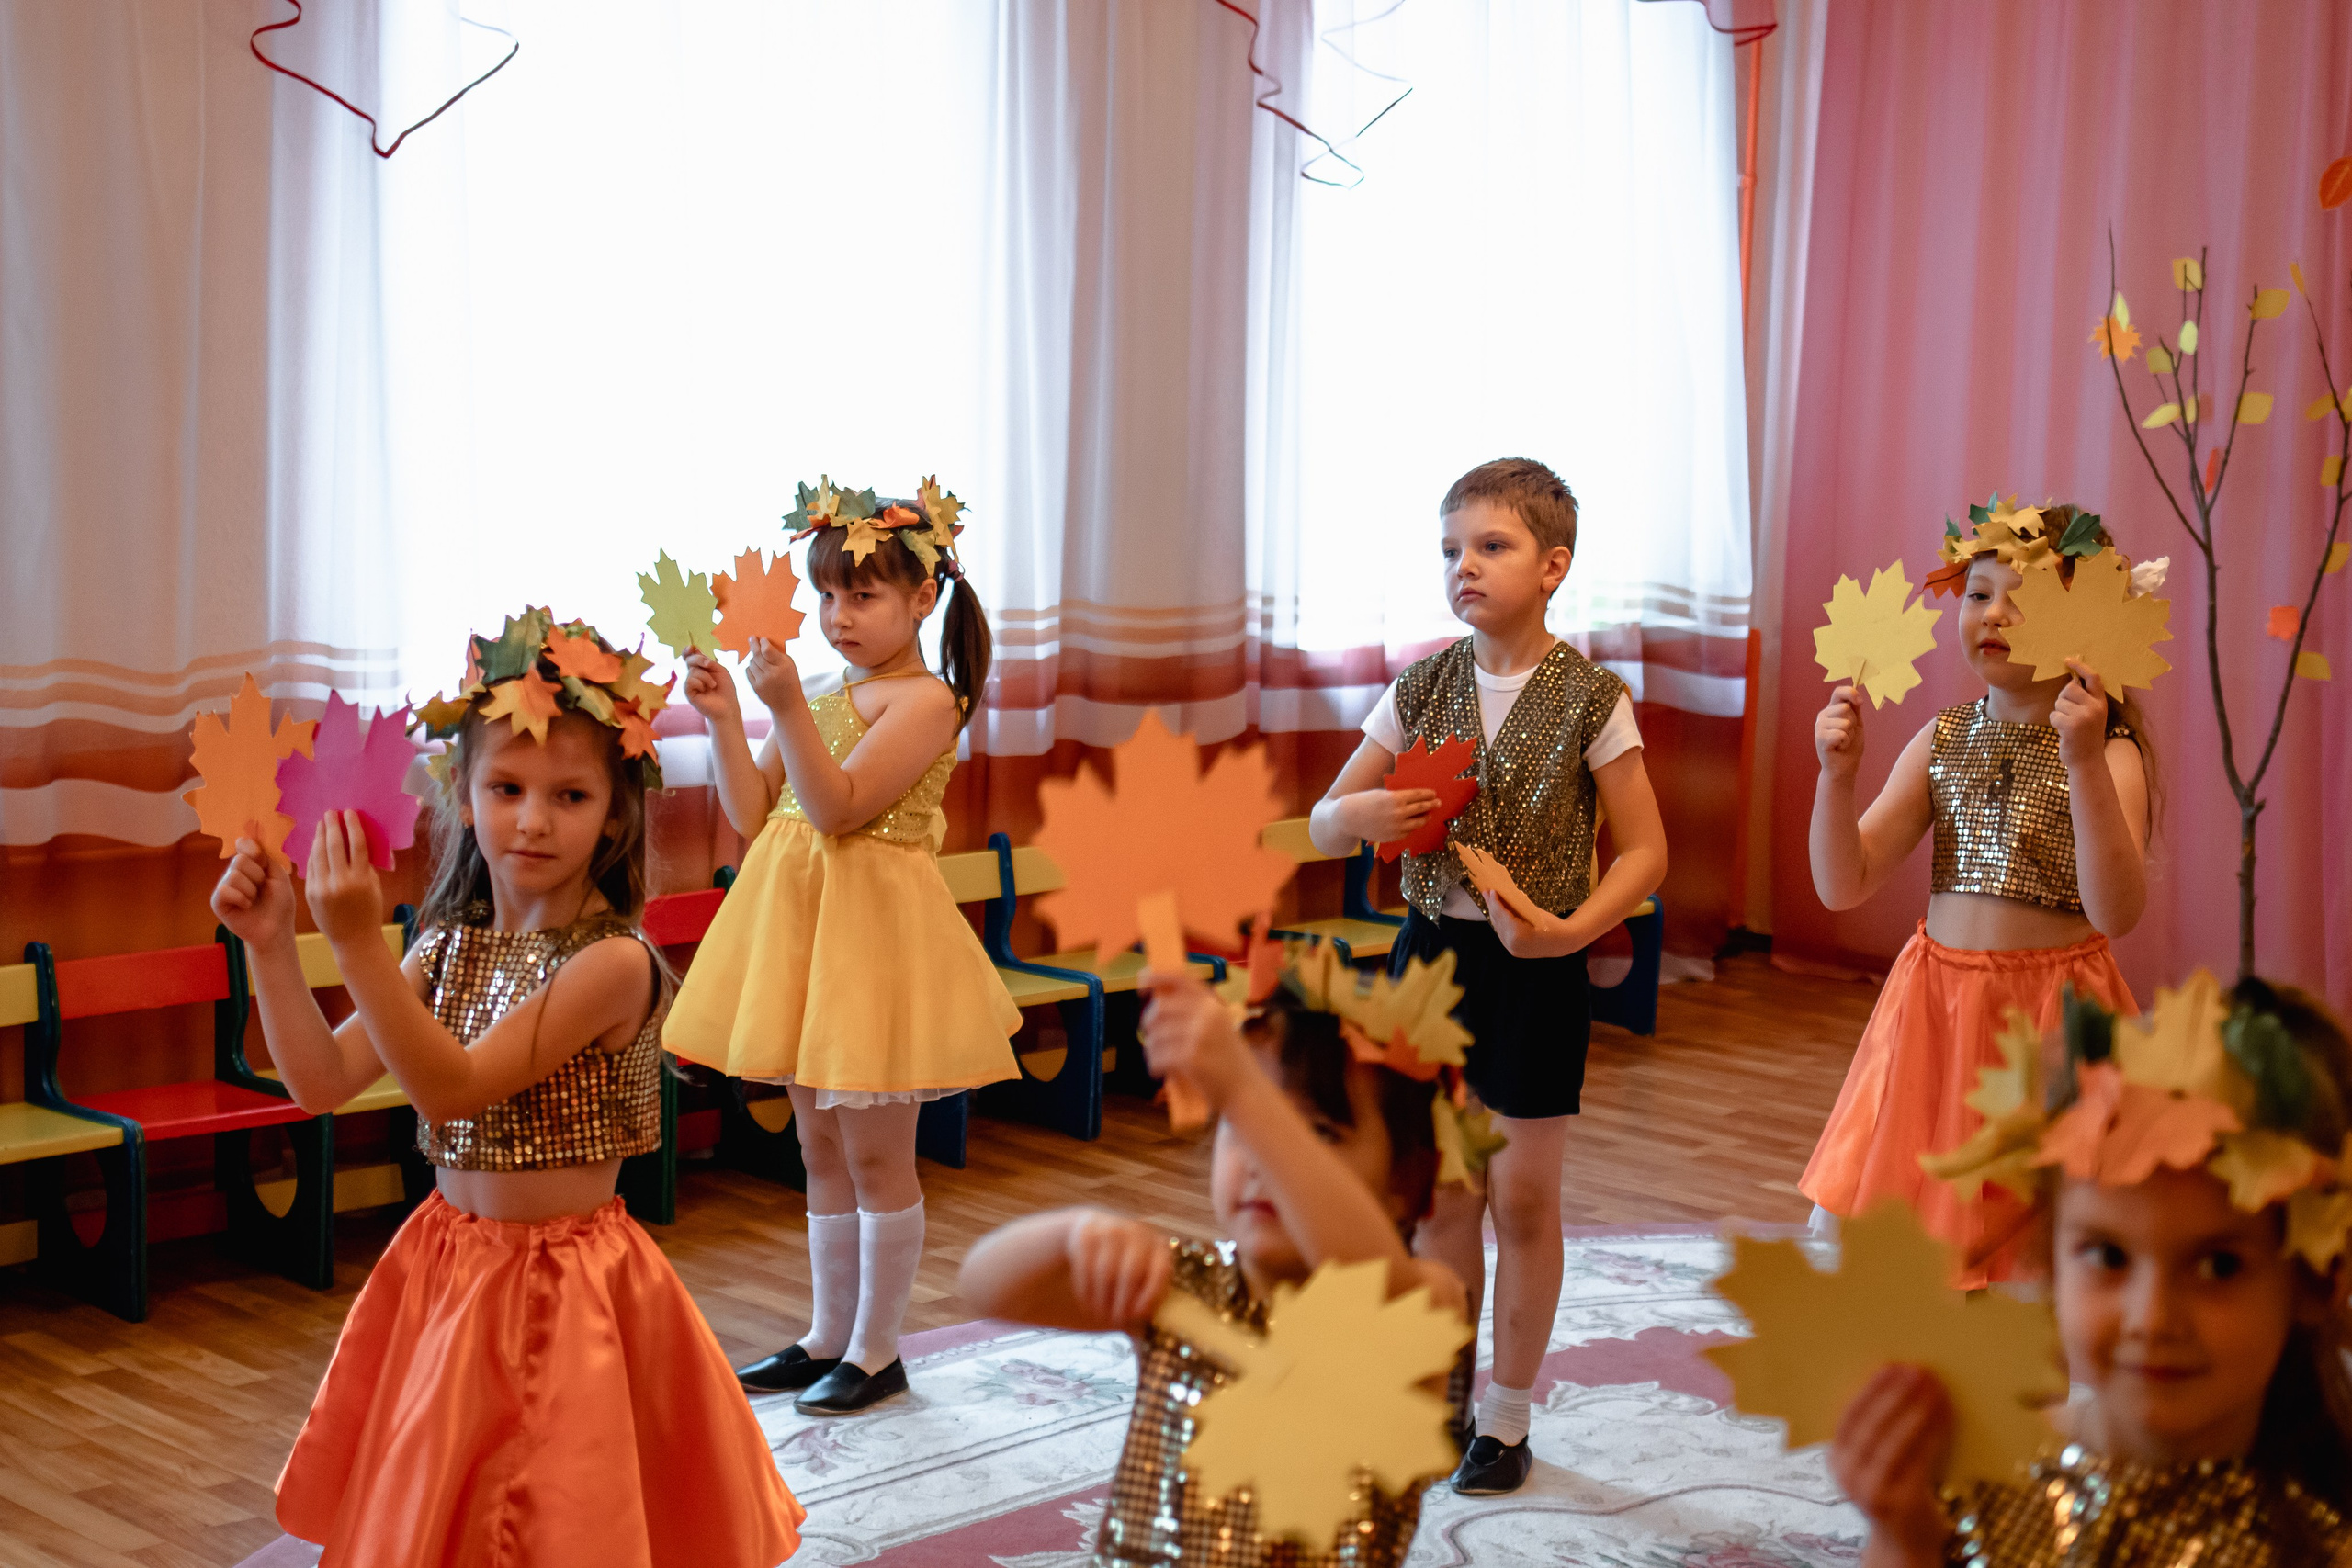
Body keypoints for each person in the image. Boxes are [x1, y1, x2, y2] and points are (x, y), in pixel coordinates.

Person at [211, 610, 805, 1568]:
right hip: (448, 1269)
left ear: (615, 812)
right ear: (465, 792)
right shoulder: (447, 946)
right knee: (450, 1512)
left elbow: (452, 1091)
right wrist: (274, 946)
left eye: (569, 795)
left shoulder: (614, 964)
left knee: (557, 1519)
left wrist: (357, 941)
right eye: (507, 788)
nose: (532, 819)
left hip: (568, 1288)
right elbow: (320, 1083)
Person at [1306, 456, 1669, 1495]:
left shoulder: (1591, 696)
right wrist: (1358, 818)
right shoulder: (1419, 686)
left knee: (1520, 1197)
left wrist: (1570, 932)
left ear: (1554, 565)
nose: (1465, 566)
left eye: (1492, 546)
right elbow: (1328, 819)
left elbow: (1645, 852)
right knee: (1441, 1204)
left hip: (1535, 972)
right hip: (1432, 966)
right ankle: (1443, 1399)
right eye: (1451, 550)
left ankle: (1505, 1418)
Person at [664, 477, 1021, 1415]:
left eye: (861, 596)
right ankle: (826, 1334)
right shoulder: (822, 689)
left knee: (872, 1155)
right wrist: (719, 719)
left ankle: (876, 1349)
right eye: (826, 595)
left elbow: (838, 808)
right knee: (817, 1145)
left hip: (871, 946)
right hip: (800, 937)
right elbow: (755, 812)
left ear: (921, 599)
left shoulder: (928, 702)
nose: (838, 616)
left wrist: (780, 708)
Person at [957, 945, 1477, 1567]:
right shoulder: (1184, 1285)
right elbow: (984, 1286)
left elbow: (1370, 1282)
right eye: (1244, 1124)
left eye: (1318, 1132)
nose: (1262, 1157)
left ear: (1407, 1180)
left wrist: (1244, 1091)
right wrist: (1072, 1233)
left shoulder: (1427, 1298)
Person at [1830, 974, 2352, 1565]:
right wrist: (1903, 1541)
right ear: (2049, 1260)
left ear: (2318, 1279)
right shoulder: (1976, 1478)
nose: (2151, 1318)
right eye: (2108, 1256)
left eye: (2218, 1266)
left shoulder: (2320, 1548)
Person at [1802, 501, 2160, 1285]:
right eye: (1977, 593)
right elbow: (1843, 881)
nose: (1993, 613)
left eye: (2022, 596)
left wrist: (2085, 763)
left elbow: (2117, 912)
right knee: (1920, 1248)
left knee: (2029, 1251)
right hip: (1933, 1013)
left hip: (2052, 1023)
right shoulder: (1943, 736)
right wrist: (1836, 778)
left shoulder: (2112, 754)